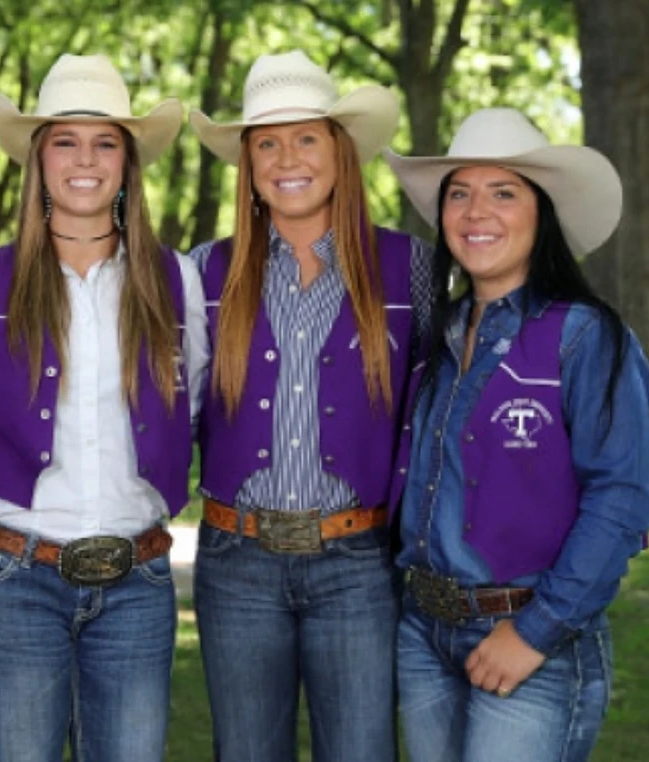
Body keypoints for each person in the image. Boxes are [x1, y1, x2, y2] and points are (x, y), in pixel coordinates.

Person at [0, 53, 208, 761]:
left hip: (138, 580)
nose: (85, 160)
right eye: (65, 141)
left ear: (128, 165)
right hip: (14, 580)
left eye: (105, 143)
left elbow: (188, 405)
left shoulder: (175, 279)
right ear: (38, 162)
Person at [384, 107, 649, 762]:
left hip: (531, 637)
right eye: (460, 193)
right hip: (424, 634)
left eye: (504, 191)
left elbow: (620, 503)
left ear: (543, 214)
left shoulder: (585, 337)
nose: (478, 212)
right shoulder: (433, 339)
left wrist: (534, 633)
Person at [187, 50, 431, 762]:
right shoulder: (206, 270)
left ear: (339, 151)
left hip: (358, 560)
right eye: (266, 141)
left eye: (305, 138)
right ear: (249, 162)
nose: (285, 157)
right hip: (237, 563)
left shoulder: (410, 265)